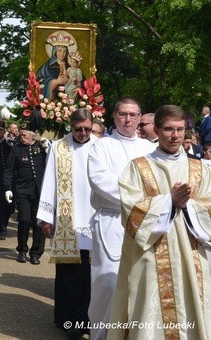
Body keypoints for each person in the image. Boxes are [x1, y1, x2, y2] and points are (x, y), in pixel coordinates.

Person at [108, 105, 211, 339]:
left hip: (191, 253)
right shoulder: (139, 167)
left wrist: (188, 205)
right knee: (149, 311)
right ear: (156, 130)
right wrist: (169, 201)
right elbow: (131, 211)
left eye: (180, 130)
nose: (175, 136)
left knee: (193, 305)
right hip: (151, 255)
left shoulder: (199, 169)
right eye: (168, 129)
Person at [87, 97, 153, 340]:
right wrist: (140, 198)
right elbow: (99, 180)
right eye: (123, 114)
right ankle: (101, 336)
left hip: (145, 221)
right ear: (114, 117)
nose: (128, 119)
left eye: (133, 115)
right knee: (109, 284)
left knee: (140, 283)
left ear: (139, 118)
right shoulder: (102, 146)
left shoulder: (149, 149)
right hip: (112, 220)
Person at [37, 108, 97, 338]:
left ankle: (90, 320)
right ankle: (70, 321)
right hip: (66, 219)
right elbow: (50, 180)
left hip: (94, 219)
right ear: (70, 127)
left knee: (92, 274)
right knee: (70, 274)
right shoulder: (59, 147)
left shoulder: (100, 146)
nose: (82, 133)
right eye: (77, 129)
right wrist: (45, 217)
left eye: (87, 129)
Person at [4, 122, 48, 265]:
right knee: (24, 220)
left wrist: (48, 148)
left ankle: (36, 253)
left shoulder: (41, 148)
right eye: (20, 134)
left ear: (31, 136)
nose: (20, 137)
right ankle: (22, 250)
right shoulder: (16, 149)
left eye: (23, 135)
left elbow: (51, 163)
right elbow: (9, 170)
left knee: (38, 223)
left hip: (39, 190)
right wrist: (7, 188)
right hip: (22, 190)